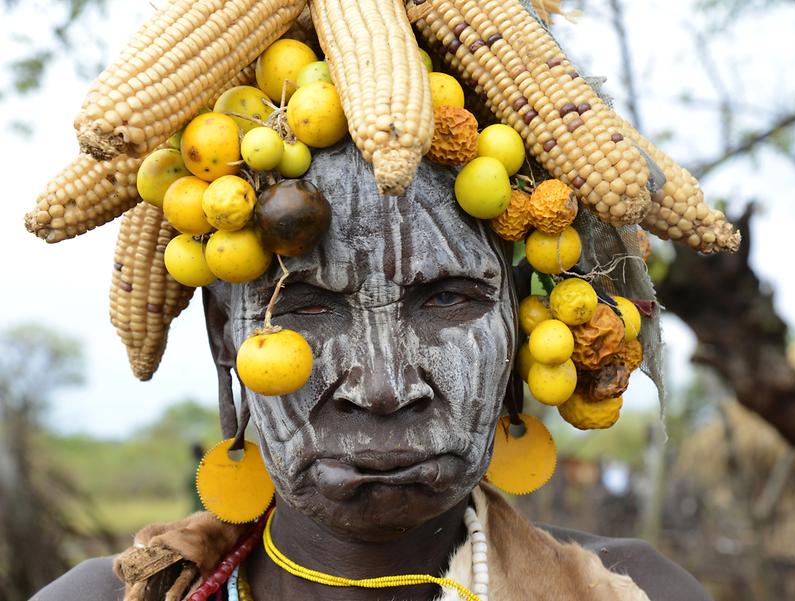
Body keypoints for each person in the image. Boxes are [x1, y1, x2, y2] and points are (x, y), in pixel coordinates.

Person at [32, 141, 712, 601]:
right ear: (223, 336)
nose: (384, 388)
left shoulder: (633, 591)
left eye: (446, 298)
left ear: (519, 329)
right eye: (308, 305)